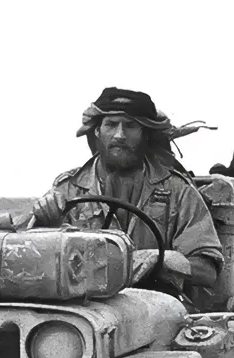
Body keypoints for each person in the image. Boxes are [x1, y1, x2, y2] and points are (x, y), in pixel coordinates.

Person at [31, 88, 223, 289]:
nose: (120, 135)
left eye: (131, 126)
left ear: (145, 134)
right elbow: (35, 264)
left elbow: (208, 270)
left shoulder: (177, 191)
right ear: (97, 131)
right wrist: (47, 220)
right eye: (111, 125)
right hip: (87, 310)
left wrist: (161, 260)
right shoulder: (68, 189)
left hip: (156, 311)